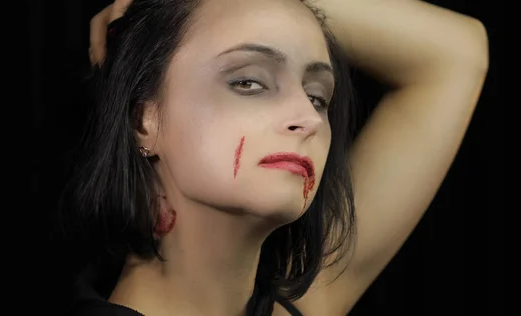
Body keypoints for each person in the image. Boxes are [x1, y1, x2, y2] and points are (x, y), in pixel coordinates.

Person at [64, 0, 489, 315]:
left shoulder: (301, 303)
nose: (308, 118)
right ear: (144, 120)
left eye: (318, 96)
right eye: (249, 82)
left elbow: (457, 54)